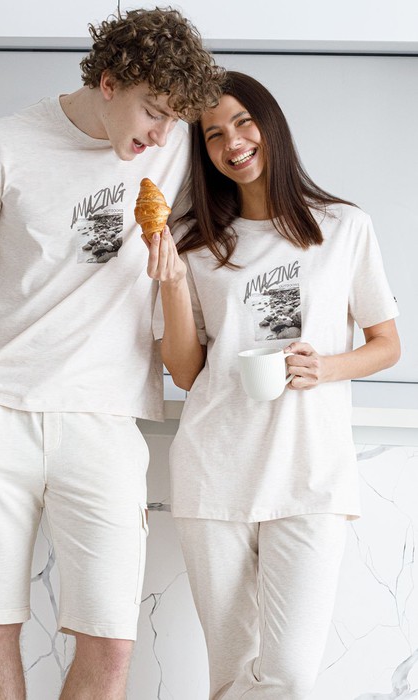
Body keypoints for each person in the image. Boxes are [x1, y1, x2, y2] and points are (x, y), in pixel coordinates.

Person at [0, 8, 223, 699]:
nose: (162, 134)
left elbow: (253, 150)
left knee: (110, 643)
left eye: (175, 118)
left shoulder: (171, 146)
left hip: (104, 420)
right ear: (108, 82)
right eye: (153, 111)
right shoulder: (0, 145)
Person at [146, 71, 400, 699]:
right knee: (231, 673)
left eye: (243, 122)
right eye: (212, 135)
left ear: (271, 125)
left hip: (309, 473)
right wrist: (172, 282)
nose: (232, 142)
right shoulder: (195, 243)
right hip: (216, 468)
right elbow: (186, 371)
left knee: (289, 675)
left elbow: (387, 343)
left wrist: (326, 367)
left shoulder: (343, 227)